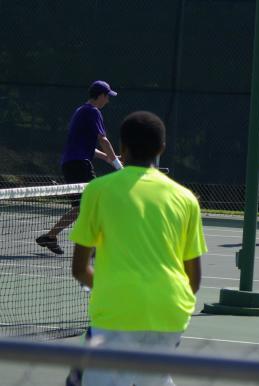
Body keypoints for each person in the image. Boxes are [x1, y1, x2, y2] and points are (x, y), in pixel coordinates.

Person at [70, 111, 206, 386]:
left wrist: (115, 287)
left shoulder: (97, 190)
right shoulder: (187, 199)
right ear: (161, 149)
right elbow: (194, 280)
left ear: (121, 148)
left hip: (116, 311)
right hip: (171, 309)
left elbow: (79, 268)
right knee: (153, 378)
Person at [36, 80, 122, 255]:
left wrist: (107, 157)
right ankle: (94, 246)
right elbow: (103, 140)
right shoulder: (93, 111)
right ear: (102, 95)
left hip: (72, 163)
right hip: (78, 164)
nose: (108, 101)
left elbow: (84, 144)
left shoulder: (81, 111)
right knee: (97, 201)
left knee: (82, 207)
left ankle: (50, 237)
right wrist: (118, 166)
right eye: (107, 97)